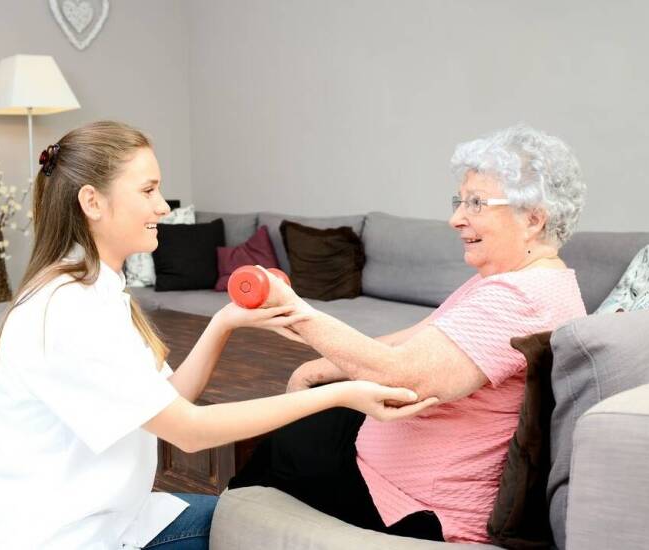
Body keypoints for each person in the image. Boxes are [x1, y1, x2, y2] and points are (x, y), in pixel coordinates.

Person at [0, 121, 435, 550]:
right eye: (148, 190)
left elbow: (169, 399)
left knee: (252, 515)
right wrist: (338, 395)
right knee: (259, 526)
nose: (162, 206)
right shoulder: (68, 309)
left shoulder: (98, 289)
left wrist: (223, 322)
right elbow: (187, 430)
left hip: (117, 520)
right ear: (92, 201)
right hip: (59, 536)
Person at [229, 124, 588, 544]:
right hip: (388, 464)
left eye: (476, 203)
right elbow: (413, 336)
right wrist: (320, 366)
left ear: (533, 219)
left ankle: (224, 523)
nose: (456, 218)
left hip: (418, 503)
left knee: (276, 445)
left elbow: (403, 375)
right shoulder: (514, 278)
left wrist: (296, 310)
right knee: (301, 420)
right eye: (459, 201)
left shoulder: (521, 297)